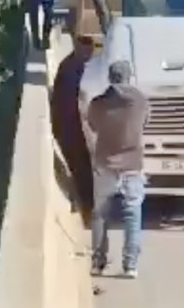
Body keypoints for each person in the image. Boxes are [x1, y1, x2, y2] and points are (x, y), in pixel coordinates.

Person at [86, 60, 149, 278]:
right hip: (132, 165)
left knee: (100, 214)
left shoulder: (98, 103)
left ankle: (98, 263)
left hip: (105, 164)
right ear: (129, 78)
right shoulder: (141, 101)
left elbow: (93, 126)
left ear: (110, 78)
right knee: (132, 214)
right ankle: (130, 265)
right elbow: (145, 124)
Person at [50, 35, 95, 222]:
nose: (89, 54)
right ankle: (87, 210)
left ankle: (87, 208)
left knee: (83, 170)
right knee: (82, 170)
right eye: (87, 51)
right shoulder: (70, 69)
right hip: (71, 129)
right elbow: (69, 104)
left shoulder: (75, 66)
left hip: (75, 128)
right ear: (78, 48)